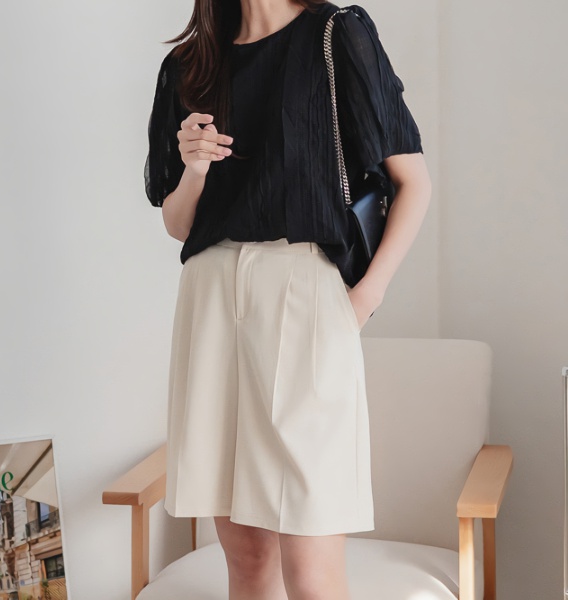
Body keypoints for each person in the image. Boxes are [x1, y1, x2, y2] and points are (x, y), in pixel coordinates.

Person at [144, 0, 432, 598]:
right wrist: (194, 169)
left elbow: (414, 184)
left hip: (303, 290)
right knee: (248, 560)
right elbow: (178, 225)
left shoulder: (336, 36)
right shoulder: (190, 65)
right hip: (209, 299)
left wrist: (363, 298)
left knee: (311, 568)